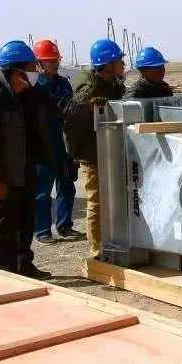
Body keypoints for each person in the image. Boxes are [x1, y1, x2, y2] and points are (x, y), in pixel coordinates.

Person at [0, 40, 52, 279]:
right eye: (32, 67)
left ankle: (24, 265)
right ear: (16, 71)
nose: (36, 71)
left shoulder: (31, 96)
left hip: (26, 171)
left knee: (26, 221)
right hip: (4, 175)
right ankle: (5, 274)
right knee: (3, 225)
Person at [63, 39, 126, 259]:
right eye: (119, 60)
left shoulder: (112, 84)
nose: (122, 64)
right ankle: (97, 249)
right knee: (97, 202)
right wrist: (90, 110)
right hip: (93, 154)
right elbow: (70, 115)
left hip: (110, 150)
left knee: (115, 200)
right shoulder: (90, 89)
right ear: (107, 64)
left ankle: (113, 243)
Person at [31, 39, 83, 244]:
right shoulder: (34, 87)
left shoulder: (63, 83)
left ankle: (65, 226)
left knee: (67, 188)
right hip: (43, 146)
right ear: (39, 63)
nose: (54, 63)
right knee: (42, 192)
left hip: (64, 145)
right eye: (49, 60)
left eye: (56, 60)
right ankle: (42, 231)